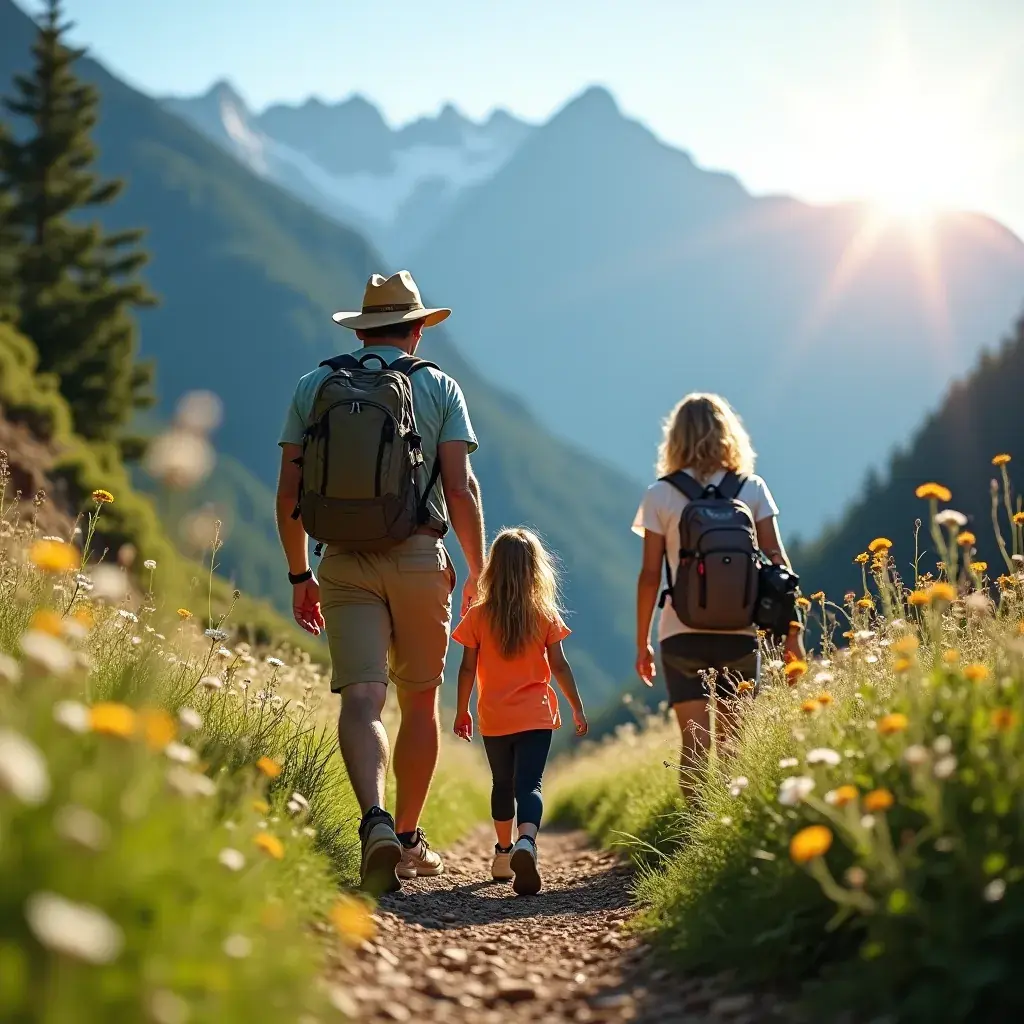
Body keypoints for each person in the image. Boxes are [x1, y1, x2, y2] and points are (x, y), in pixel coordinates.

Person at [275, 271, 486, 894]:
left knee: (362, 698)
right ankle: (411, 837)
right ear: (417, 329)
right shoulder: (439, 386)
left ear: (363, 328)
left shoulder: (315, 385)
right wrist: (473, 569)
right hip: (420, 558)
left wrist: (299, 574)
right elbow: (459, 486)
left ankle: (375, 822)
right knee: (419, 699)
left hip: (340, 559)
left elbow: (289, 493)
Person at [633, 393, 803, 797]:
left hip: (680, 631)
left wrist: (642, 642)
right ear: (729, 433)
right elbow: (779, 565)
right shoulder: (753, 488)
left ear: (675, 438)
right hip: (741, 632)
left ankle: (693, 841)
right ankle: (724, 833)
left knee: (693, 746)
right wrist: (791, 633)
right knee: (732, 748)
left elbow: (650, 574)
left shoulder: (660, 494)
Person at [451, 528, 587, 896]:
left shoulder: (477, 617)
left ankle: (503, 852)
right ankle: (527, 842)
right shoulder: (544, 614)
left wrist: (462, 710)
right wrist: (576, 707)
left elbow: (466, 668)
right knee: (530, 784)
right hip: (536, 716)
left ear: (492, 569)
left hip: (495, 717)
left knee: (502, 784)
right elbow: (559, 666)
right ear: (534, 570)